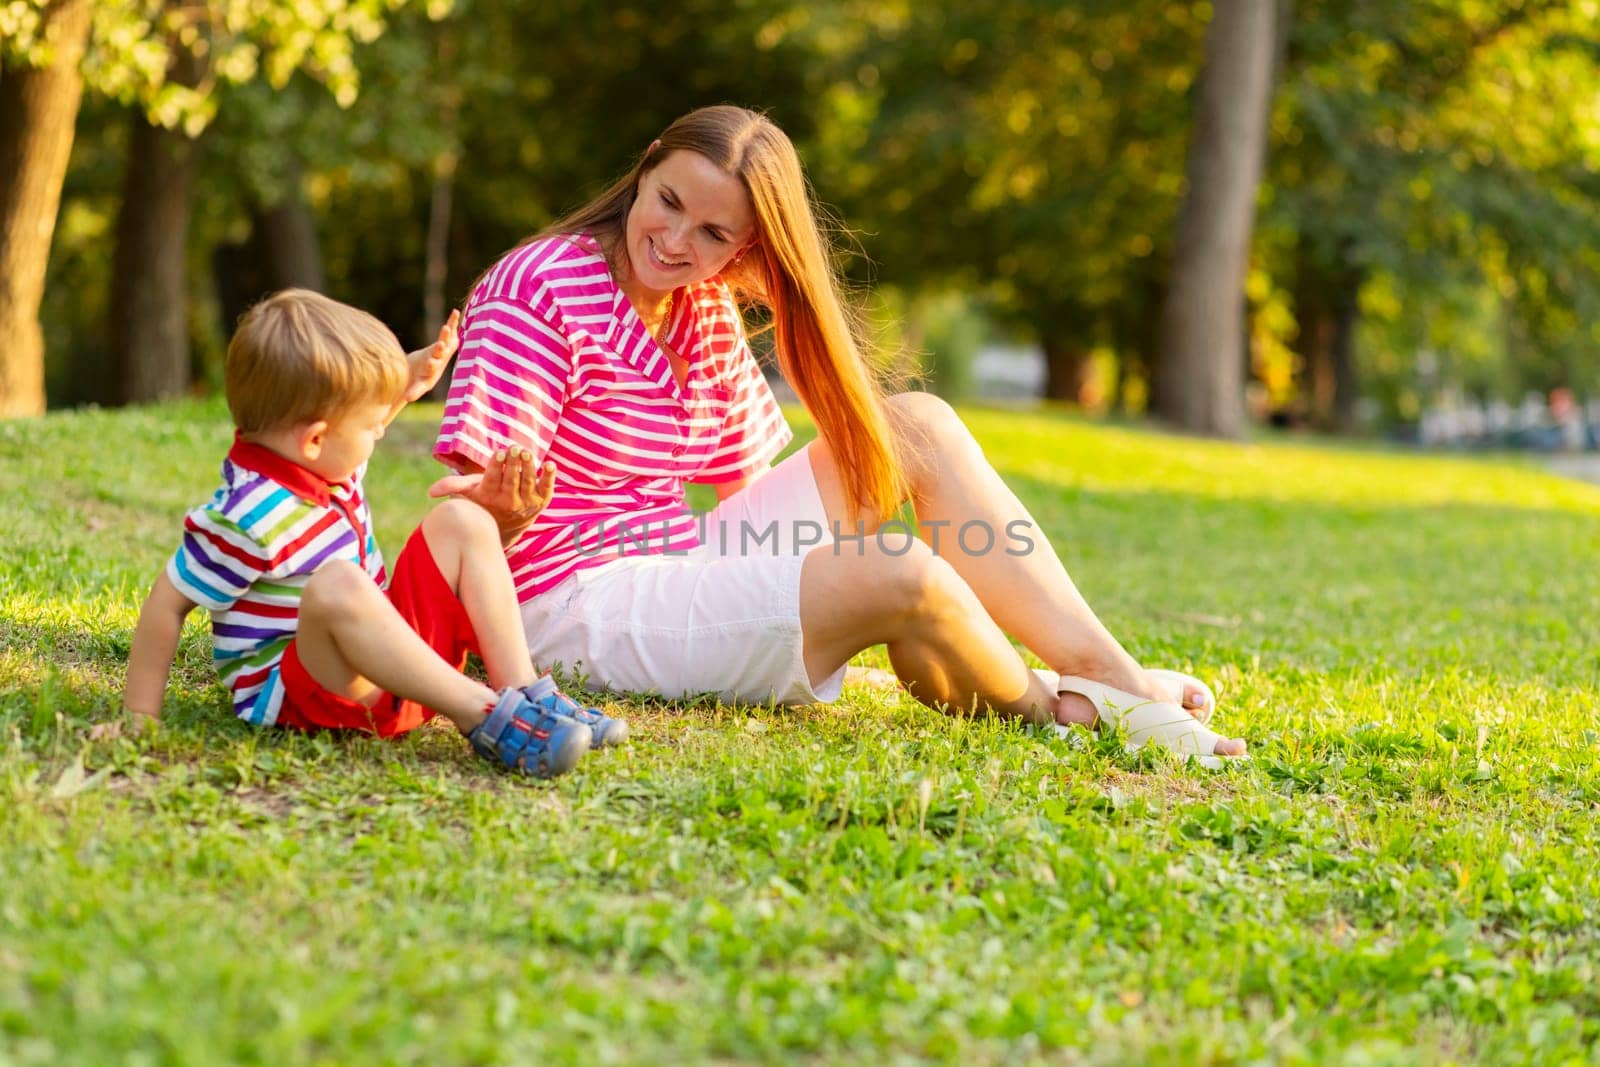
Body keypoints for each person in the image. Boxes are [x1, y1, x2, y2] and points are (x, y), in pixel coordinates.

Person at [430, 105, 1245, 765]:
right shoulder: (541, 284)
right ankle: (1066, 710)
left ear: (747, 244)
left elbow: (754, 497)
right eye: (670, 202)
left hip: (671, 562)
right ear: (646, 166)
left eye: (715, 234)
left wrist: (803, 582)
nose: (677, 242)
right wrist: (505, 510)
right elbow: (466, 530)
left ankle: (1107, 672)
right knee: (902, 575)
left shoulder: (700, 305)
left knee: (920, 427)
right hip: (566, 602)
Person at [115, 289, 626, 778]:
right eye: (374, 424)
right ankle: (486, 714)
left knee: (462, 518)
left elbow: (346, 423)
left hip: (394, 667)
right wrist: (140, 719)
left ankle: (528, 694)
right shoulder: (246, 517)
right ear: (316, 438)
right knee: (338, 583)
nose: (382, 430)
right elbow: (167, 603)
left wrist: (407, 382)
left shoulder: (323, 463)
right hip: (316, 696)